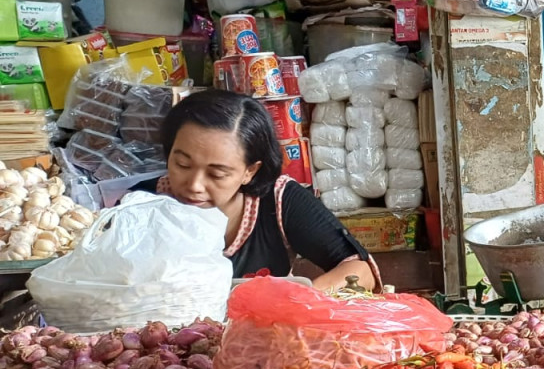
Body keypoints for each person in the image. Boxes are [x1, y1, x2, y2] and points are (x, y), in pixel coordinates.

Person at [139, 89, 379, 290]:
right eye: (182, 165)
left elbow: (360, 269)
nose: (194, 185)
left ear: (249, 171)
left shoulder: (278, 201)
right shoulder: (138, 206)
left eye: (217, 174)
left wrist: (297, 304)